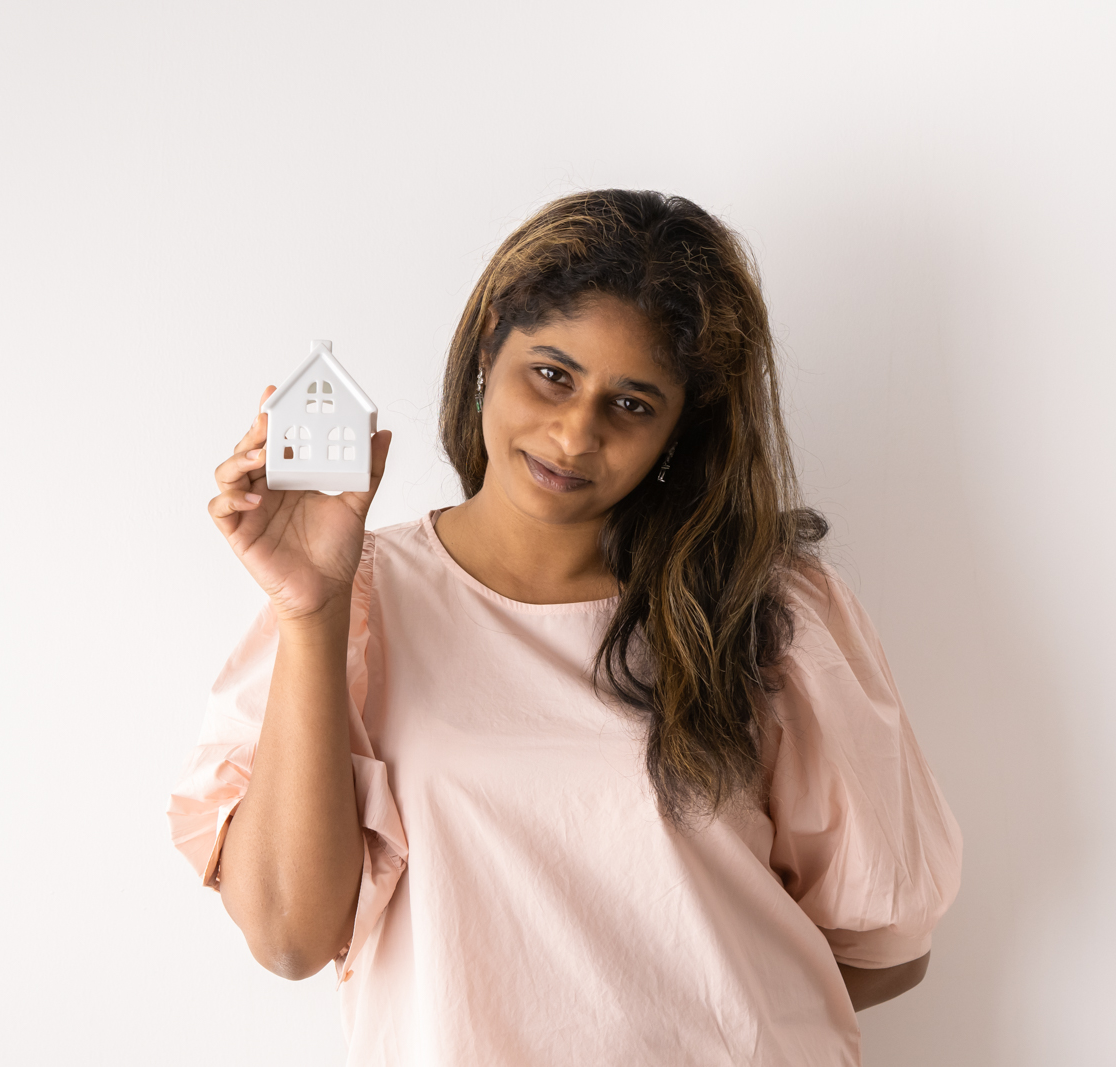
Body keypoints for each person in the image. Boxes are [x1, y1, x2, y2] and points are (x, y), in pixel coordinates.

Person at [167, 190, 962, 1065]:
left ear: (678, 427)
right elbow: (288, 937)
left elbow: (883, 945)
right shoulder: (355, 606)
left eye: (631, 404)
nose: (575, 434)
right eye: (552, 373)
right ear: (491, 340)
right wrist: (311, 611)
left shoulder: (760, 610)